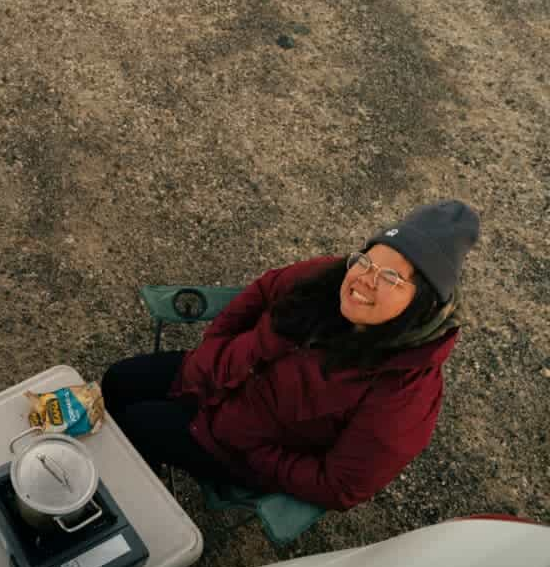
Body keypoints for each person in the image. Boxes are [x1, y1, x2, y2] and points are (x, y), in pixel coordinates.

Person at [102, 200, 480, 510]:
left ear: (424, 302)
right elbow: (265, 290)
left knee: (135, 427)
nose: (365, 279)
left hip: (234, 444)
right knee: (117, 381)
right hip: (211, 372)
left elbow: (339, 486)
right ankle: (136, 471)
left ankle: (128, 490)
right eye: (366, 261)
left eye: (392, 278)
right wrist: (215, 347)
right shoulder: (327, 277)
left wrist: (259, 453)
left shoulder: (404, 394)